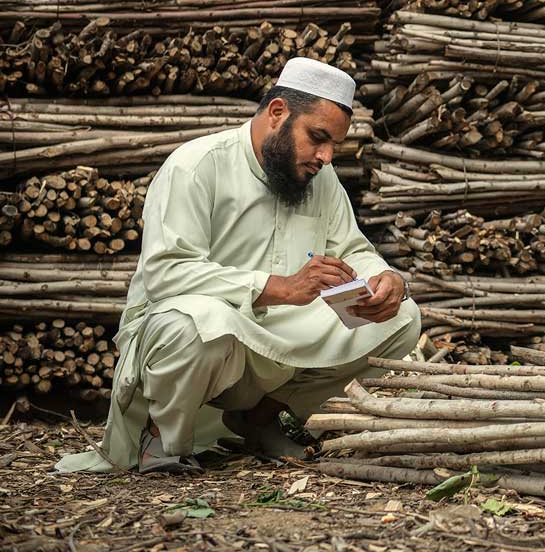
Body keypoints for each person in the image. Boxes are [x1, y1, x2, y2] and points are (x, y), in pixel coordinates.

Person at [57, 58, 420, 473]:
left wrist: (384, 278)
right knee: (197, 321)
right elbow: (166, 273)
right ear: (277, 112)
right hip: (205, 337)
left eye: (334, 144)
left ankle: (260, 419)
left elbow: (352, 249)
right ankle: (163, 440)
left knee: (402, 318)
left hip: (282, 332)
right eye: (318, 137)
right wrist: (276, 287)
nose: (325, 156)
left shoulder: (321, 178)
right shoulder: (197, 165)